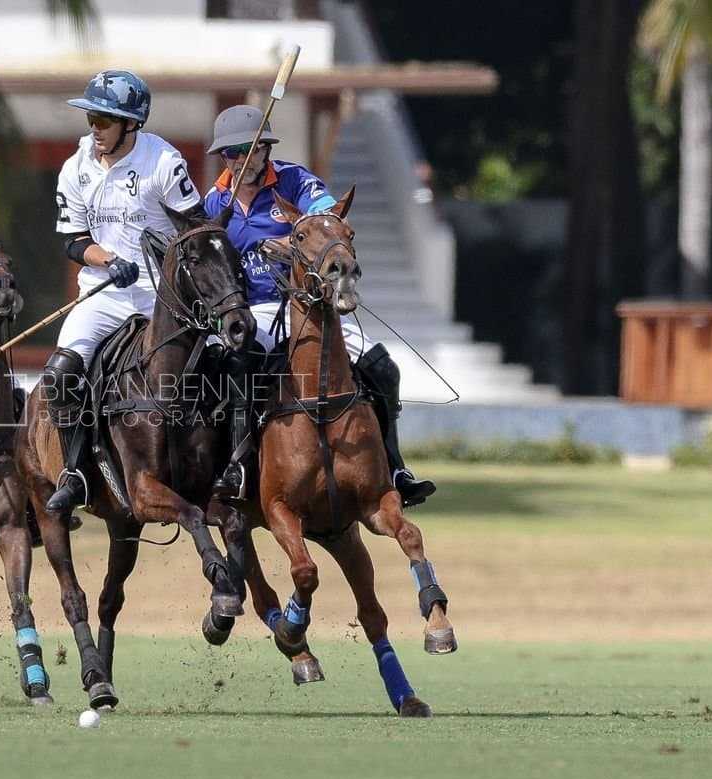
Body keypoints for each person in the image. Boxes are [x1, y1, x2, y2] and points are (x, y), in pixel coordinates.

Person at [202, 104, 435, 507]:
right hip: (252, 310)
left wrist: (291, 244)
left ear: (265, 150)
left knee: (382, 367)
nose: (241, 159)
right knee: (231, 369)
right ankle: (236, 466)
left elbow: (326, 219)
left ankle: (395, 466)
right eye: (231, 152)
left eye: (249, 149)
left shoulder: (293, 180)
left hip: (307, 304)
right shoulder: (213, 202)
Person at [42, 69, 210, 513]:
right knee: (60, 374)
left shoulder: (163, 163)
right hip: (103, 294)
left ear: (131, 123)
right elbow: (73, 240)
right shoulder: (75, 168)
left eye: (103, 121)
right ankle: (76, 472)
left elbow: (195, 229)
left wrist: (164, 254)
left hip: (164, 300)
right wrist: (109, 261)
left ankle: (233, 466)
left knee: (221, 366)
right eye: (91, 120)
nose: (94, 130)